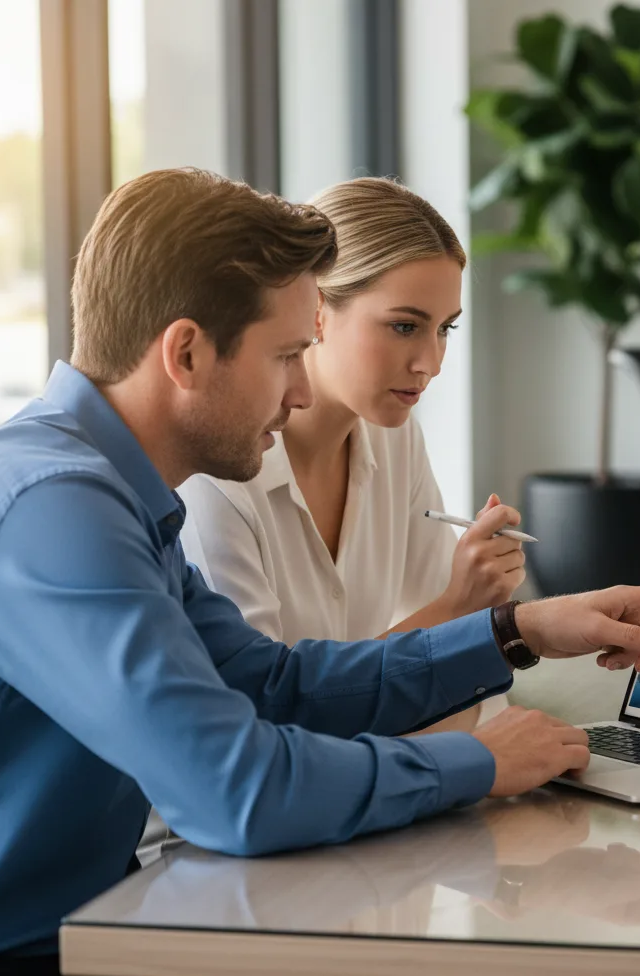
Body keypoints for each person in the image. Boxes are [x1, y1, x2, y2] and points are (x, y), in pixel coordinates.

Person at [0, 167, 640, 976]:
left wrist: (515, 631)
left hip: (82, 936)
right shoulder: (50, 508)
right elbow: (239, 791)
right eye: (287, 354)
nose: (303, 390)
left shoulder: (110, 492)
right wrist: (479, 764)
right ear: (186, 353)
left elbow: (273, 683)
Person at [179, 177, 518, 734]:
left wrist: (470, 614)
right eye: (404, 326)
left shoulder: (395, 438)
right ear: (315, 308)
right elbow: (261, 725)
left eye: (444, 330)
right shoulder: (219, 474)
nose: (429, 362)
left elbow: (454, 666)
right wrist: (461, 604)